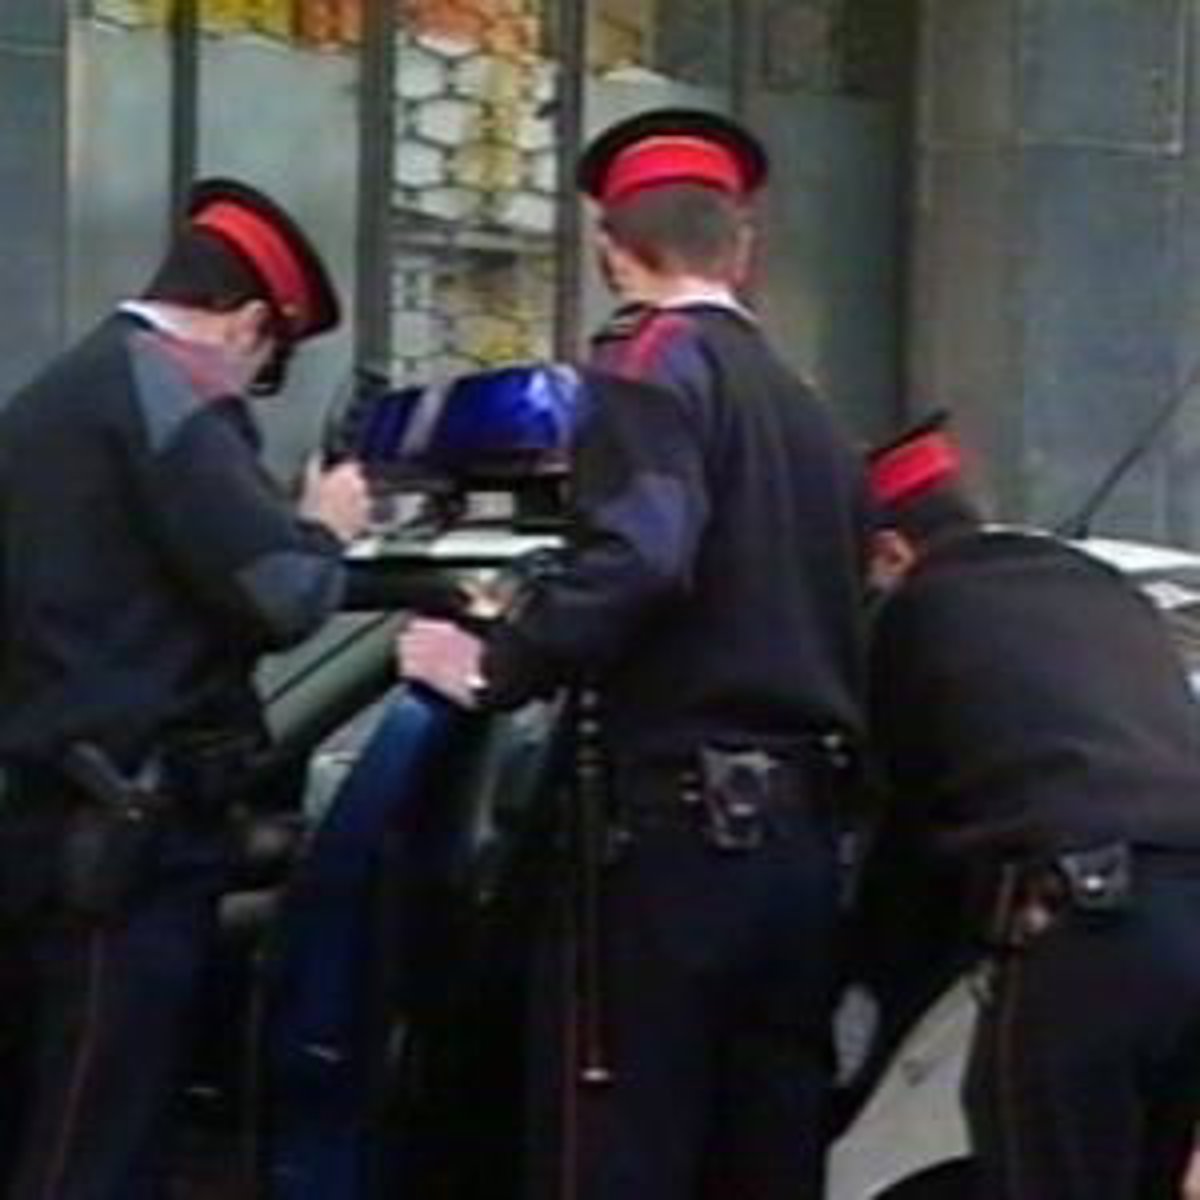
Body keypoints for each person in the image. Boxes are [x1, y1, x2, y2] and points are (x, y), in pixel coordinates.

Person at [398, 109, 871, 1200]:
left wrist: (495, 662)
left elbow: (643, 556)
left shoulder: (648, 363)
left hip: (669, 844)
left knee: (618, 1151)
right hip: (801, 846)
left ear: (614, 250)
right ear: (741, 248)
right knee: (764, 1156)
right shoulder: (811, 416)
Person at [0, 178, 369, 1199]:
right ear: (247, 322)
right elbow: (285, 596)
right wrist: (325, 525)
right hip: (131, 847)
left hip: (47, 821)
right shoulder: (171, 396)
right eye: (264, 366)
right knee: (98, 1145)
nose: (248, 393)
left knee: (46, 1122)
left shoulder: (54, 398)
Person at [865, 413, 1200, 1200]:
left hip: (1089, 928)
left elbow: (905, 841)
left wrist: (863, 997)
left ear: (891, 552)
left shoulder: (921, 614)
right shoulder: (1102, 589)